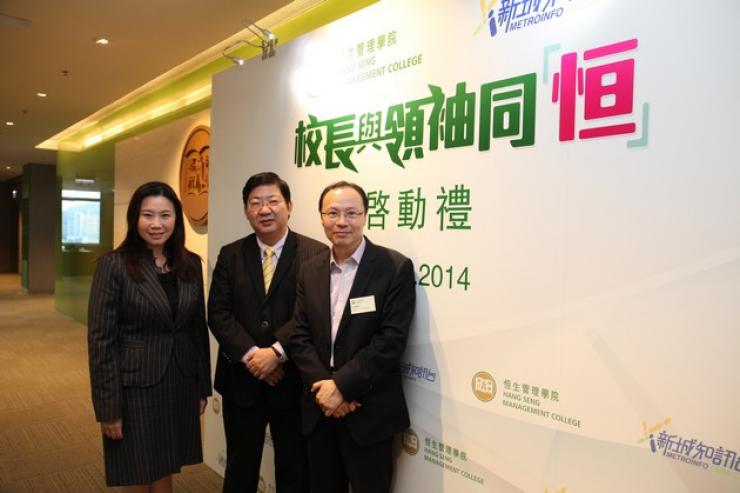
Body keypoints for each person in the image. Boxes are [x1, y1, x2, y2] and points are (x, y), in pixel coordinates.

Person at [290, 181, 416, 493]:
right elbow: (299, 334)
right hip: (320, 408)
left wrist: (343, 387)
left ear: (366, 215)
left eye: (351, 213)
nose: (341, 222)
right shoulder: (310, 269)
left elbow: (391, 341)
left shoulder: (394, 267)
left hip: (368, 410)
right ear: (321, 217)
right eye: (332, 213)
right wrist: (326, 389)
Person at [87, 181, 211, 492]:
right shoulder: (113, 265)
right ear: (135, 218)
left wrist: (201, 387)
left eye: (165, 215)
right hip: (134, 387)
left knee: (166, 462)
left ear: (176, 219)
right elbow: (101, 342)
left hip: (179, 381)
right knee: (139, 467)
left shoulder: (191, 263)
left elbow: (197, 328)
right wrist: (108, 408)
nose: (157, 224)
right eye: (148, 215)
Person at [208, 172, 327, 493]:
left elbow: (312, 315)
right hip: (241, 381)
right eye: (255, 203)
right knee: (240, 467)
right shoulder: (230, 254)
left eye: (273, 201)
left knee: (294, 468)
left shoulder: (316, 254)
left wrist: (275, 355)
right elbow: (218, 313)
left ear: (289, 206)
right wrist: (253, 358)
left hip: (291, 380)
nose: (264, 209)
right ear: (246, 210)